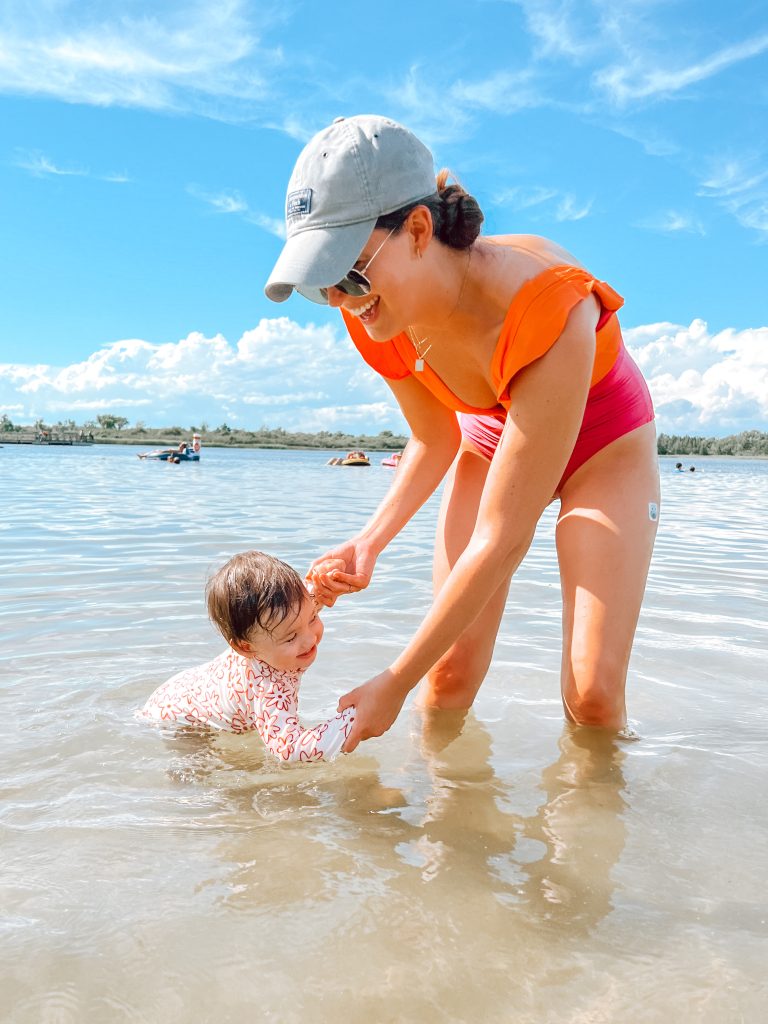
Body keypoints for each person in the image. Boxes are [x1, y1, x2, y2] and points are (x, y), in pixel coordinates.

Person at [266, 115, 659, 751]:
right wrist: (370, 542)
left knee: (592, 694)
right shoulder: (375, 314)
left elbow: (504, 537)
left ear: (418, 229)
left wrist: (391, 682)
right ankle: (448, 838)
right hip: (488, 439)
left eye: (351, 271)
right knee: (445, 678)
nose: (342, 298)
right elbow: (436, 438)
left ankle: (593, 840)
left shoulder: (549, 303)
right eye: (325, 282)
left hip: (602, 450)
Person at [139, 551, 355, 762]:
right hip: (178, 721)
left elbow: (311, 598)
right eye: (290, 638)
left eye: (313, 618)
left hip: (183, 689)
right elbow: (290, 750)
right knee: (204, 775)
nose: (309, 640)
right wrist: (353, 719)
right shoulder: (269, 687)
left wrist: (329, 579)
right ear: (246, 647)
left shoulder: (288, 616)